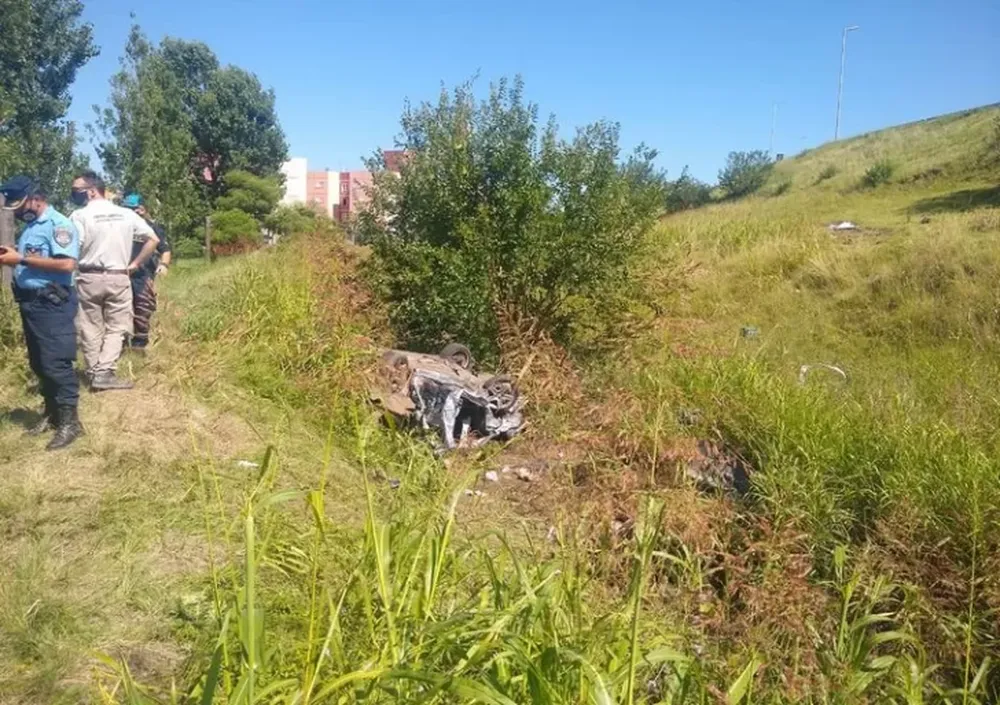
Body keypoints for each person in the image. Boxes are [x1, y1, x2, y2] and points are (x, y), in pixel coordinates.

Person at [0, 176, 83, 450]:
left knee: (57, 363)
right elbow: (38, 259)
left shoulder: (59, 225)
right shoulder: (32, 227)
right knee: (40, 362)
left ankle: (71, 423)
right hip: (32, 304)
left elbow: (67, 264)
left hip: (52, 304)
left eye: (20, 205)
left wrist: (21, 259)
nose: (18, 212)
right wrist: (14, 253)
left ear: (36, 198)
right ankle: (52, 415)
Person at [69, 170, 159, 391]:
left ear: (92, 191)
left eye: (77, 190)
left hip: (88, 276)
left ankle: (93, 371)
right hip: (119, 276)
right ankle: (104, 371)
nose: (74, 193)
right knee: (117, 327)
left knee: (90, 326)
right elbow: (153, 239)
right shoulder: (126, 214)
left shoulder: (78, 216)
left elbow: (74, 247)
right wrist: (135, 264)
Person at [121, 193, 171, 352]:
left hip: (143, 274)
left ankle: (140, 342)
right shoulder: (119, 226)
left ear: (142, 209)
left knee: (142, 306)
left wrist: (164, 265)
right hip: (120, 272)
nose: (131, 212)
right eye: (127, 208)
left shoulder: (152, 227)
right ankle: (120, 341)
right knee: (120, 308)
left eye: (134, 209)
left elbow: (165, 249)